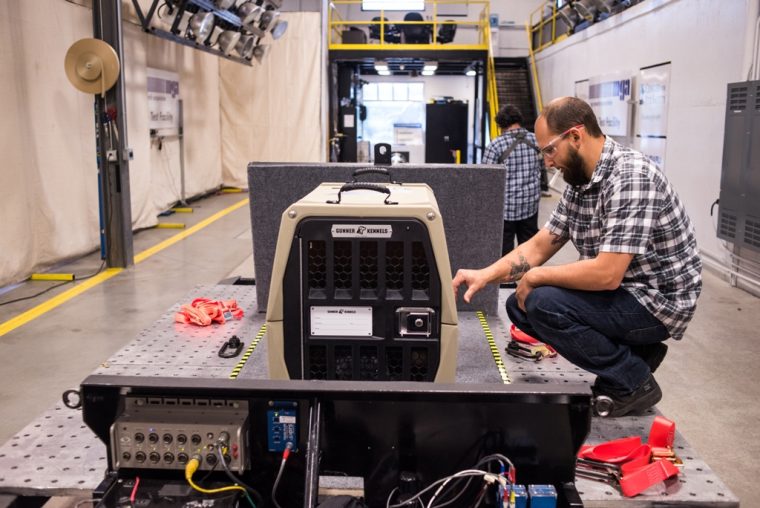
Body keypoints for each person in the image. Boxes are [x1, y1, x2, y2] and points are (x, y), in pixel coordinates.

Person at [453, 96, 702, 417]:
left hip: (657, 303)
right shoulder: (581, 180)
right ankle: (637, 355)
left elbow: (606, 274)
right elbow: (542, 244)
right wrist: (485, 274)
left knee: (543, 303)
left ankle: (634, 381)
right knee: (520, 305)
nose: (546, 162)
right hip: (626, 291)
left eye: (549, 150)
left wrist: (536, 275)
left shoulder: (630, 177)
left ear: (575, 136)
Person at [482, 105, 546, 256]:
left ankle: (506, 280)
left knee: (504, 249)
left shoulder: (495, 145)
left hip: (506, 208)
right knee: (530, 247)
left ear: (500, 124)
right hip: (530, 204)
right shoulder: (536, 140)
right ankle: (529, 278)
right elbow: (543, 167)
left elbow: (486, 178)